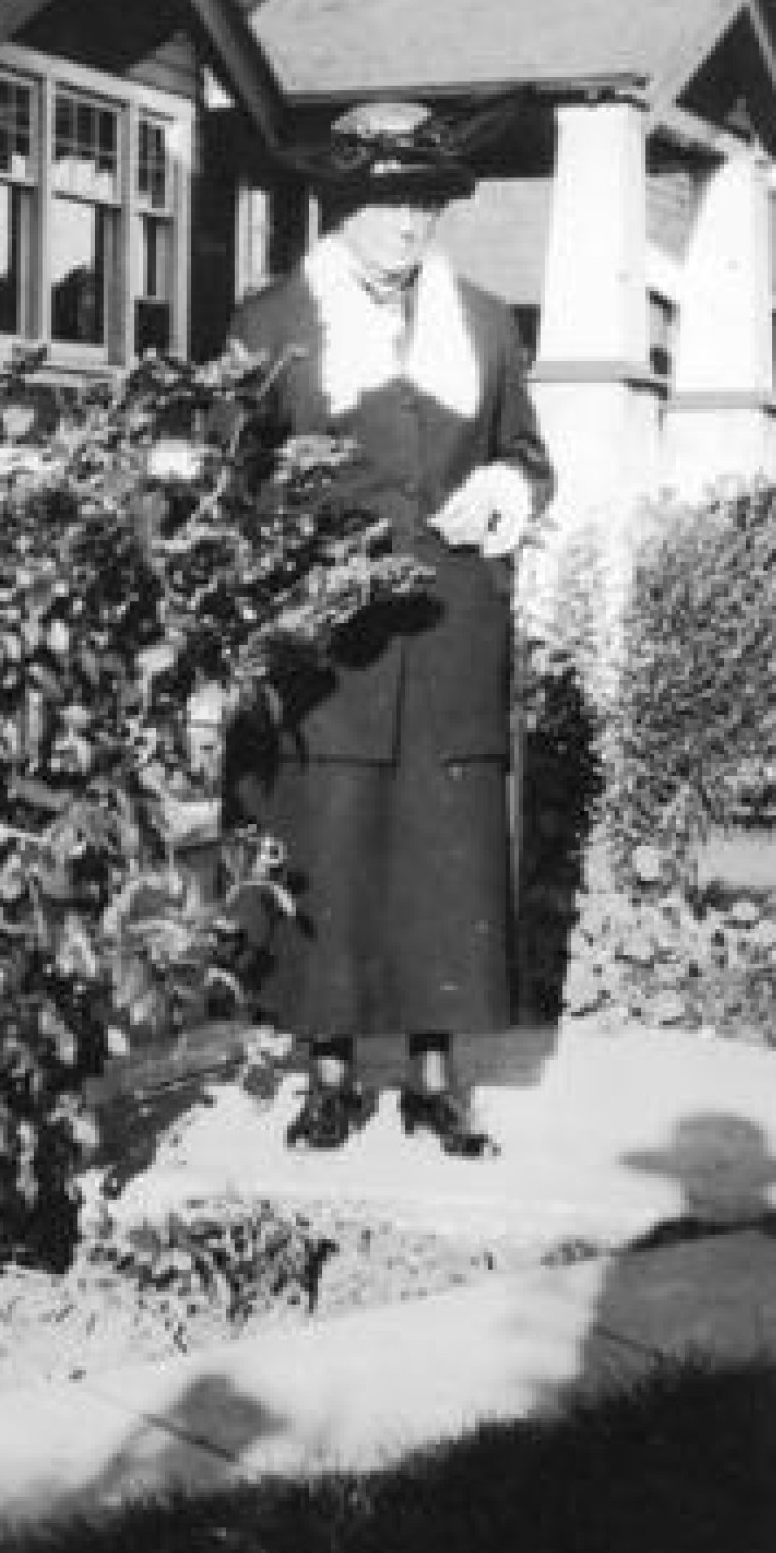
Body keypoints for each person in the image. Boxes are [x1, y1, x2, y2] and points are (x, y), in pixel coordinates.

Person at [222, 99, 554, 1155]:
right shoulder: (272, 323)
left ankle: (430, 1077)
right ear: (344, 204)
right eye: (385, 199)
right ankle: (326, 1074)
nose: (406, 223)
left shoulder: (486, 324)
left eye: (422, 200)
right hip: (326, 646)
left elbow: (527, 454)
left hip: (452, 631)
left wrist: (505, 486)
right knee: (329, 846)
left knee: (442, 852)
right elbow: (230, 485)